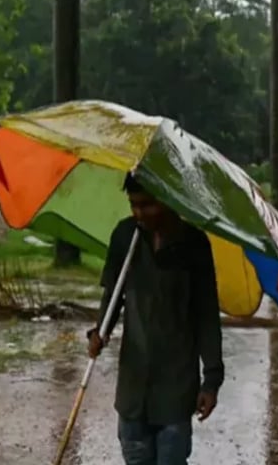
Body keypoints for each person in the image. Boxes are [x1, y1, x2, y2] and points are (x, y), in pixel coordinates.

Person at [87, 173, 224, 465]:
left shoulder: (194, 245)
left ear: (167, 198)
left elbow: (207, 316)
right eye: (133, 204)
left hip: (176, 389)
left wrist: (211, 380)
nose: (139, 213)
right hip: (133, 389)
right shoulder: (125, 237)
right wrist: (100, 331)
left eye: (147, 205)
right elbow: (112, 297)